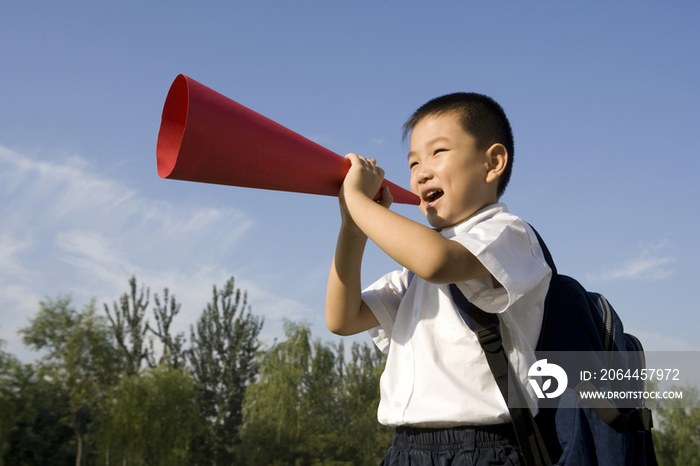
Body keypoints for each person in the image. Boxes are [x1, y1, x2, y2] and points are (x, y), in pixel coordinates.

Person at [325, 92, 552, 465]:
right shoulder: (415, 273)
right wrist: (353, 227)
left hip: (482, 449)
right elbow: (342, 318)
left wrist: (359, 201)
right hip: (405, 449)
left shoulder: (509, 234)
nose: (421, 171)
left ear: (492, 163)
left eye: (438, 152)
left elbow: (437, 261)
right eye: (413, 162)